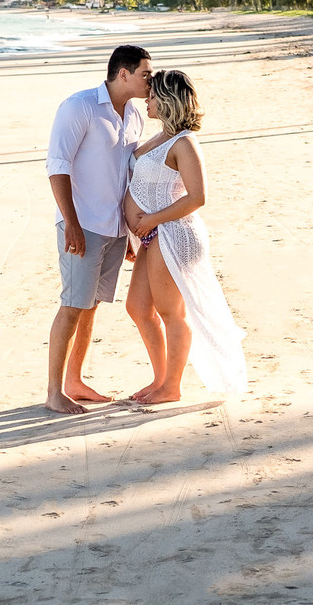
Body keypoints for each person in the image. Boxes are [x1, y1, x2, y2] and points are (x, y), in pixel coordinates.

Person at [123, 70, 248, 403]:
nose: (146, 100)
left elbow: (197, 197)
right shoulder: (160, 137)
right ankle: (161, 379)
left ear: (165, 100)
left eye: (151, 96)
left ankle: (171, 386)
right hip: (153, 234)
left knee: (171, 313)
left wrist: (151, 220)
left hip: (174, 232)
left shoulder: (185, 143)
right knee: (137, 307)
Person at [45, 44, 153, 414]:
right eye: (145, 74)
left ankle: (74, 381)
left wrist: (125, 233)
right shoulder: (79, 107)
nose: (150, 81)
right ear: (123, 73)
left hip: (113, 229)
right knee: (72, 305)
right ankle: (54, 392)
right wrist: (71, 223)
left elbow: (123, 176)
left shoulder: (135, 115)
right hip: (82, 225)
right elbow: (57, 166)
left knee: (90, 307)